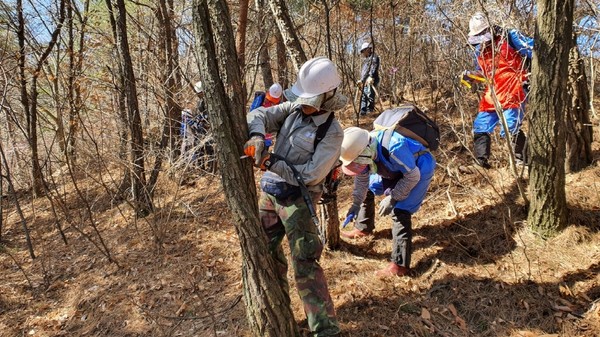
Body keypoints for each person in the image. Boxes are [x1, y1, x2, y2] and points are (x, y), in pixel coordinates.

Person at [243, 57, 347, 336]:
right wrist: (256, 136)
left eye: (311, 99)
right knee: (266, 255)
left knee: (305, 265)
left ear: (328, 96)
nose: (305, 103)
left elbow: (312, 175)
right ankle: (280, 317)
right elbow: (259, 115)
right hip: (270, 194)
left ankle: (325, 329)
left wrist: (270, 163)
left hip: (299, 202)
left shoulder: (332, 132)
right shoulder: (292, 109)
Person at [339, 126, 436, 277]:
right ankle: (363, 226)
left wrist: (393, 197)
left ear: (365, 152)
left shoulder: (394, 147)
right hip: (392, 168)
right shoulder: (364, 148)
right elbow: (362, 176)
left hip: (418, 168)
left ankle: (400, 265)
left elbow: (412, 176)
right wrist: (356, 203)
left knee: (400, 211)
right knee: (370, 187)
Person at [463, 12, 533, 169]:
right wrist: (471, 77)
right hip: (492, 92)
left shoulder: (510, 37)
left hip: (513, 88)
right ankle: (480, 162)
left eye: (483, 34)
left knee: (510, 127)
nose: (482, 39)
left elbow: (534, 49)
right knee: (480, 125)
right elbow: (482, 73)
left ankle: (522, 161)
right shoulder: (479, 50)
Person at [180, 81, 214, 171]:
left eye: (200, 93)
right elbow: (200, 115)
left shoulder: (210, 101)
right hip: (201, 128)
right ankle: (201, 167)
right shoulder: (200, 102)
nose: (199, 95)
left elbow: (208, 116)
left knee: (209, 147)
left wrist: (205, 123)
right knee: (200, 149)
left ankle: (211, 168)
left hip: (209, 128)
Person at [357, 42, 380, 115]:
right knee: (364, 95)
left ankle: (370, 111)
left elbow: (374, 67)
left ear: (367, 49)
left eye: (363, 51)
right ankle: (363, 112)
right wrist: (361, 80)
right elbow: (365, 71)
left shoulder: (374, 57)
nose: (363, 53)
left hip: (371, 80)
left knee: (370, 95)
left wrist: (371, 76)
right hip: (365, 81)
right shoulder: (366, 60)